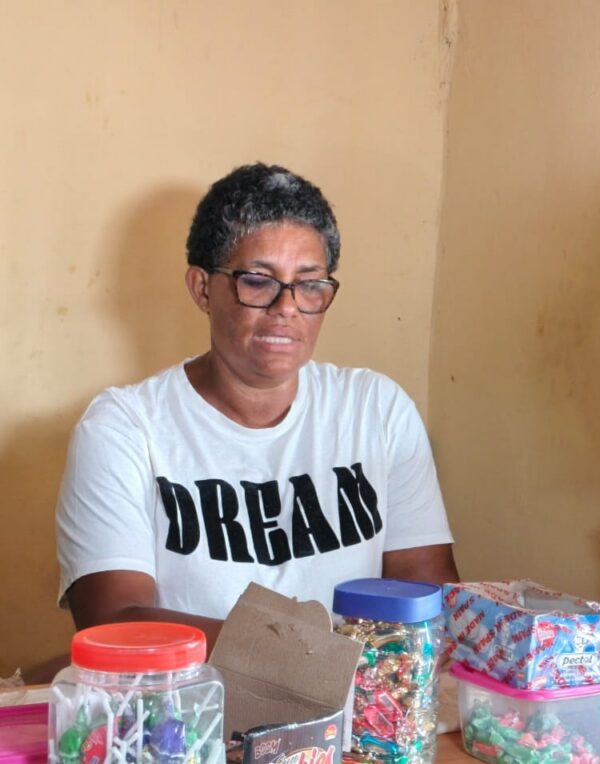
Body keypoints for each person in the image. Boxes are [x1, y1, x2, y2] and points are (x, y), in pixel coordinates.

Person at [57, 163, 459, 652]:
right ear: (202, 288)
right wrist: (312, 655)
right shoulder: (123, 429)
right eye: (257, 280)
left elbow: (428, 600)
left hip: (361, 697)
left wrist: (333, 669)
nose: (286, 307)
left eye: (309, 284)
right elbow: (115, 624)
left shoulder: (377, 410)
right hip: (195, 700)